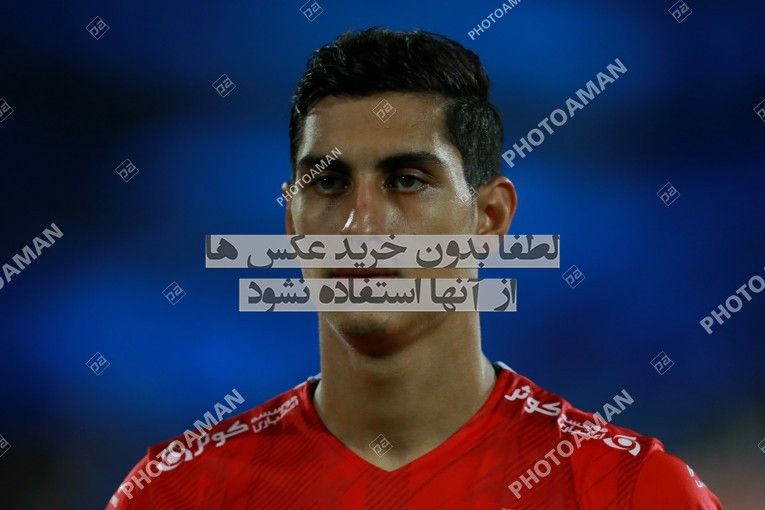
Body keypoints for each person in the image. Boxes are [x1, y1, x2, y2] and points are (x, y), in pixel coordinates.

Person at [107, 28, 722, 509]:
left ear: (489, 218)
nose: (361, 228)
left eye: (407, 181)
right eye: (329, 184)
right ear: (292, 224)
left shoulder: (631, 491)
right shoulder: (174, 494)